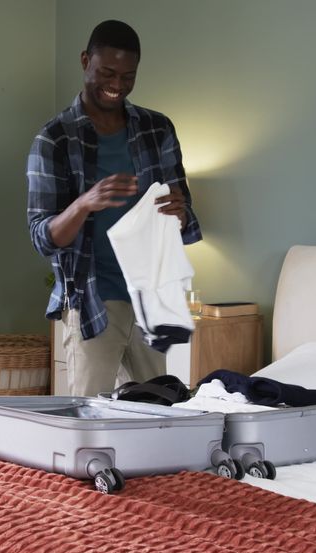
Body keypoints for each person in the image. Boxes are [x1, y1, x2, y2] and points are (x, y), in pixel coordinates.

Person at [26, 19, 201, 397]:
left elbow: (185, 222)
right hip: (92, 299)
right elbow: (42, 237)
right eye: (107, 72)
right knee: (90, 420)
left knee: (159, 413)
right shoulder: (54, 139)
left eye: (128, 76)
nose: (117, 85)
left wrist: (181, 213)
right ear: (85, 60)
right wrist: (85, 203)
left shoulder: (158, 130)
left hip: (149, 297)